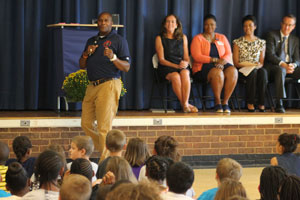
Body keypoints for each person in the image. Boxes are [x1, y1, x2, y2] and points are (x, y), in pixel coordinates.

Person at [79, 12, 131, 159]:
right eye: (100, 21)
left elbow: (126, 67)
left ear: (111, 23)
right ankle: (108, 149)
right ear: (97, 23)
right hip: (92, 85)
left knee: (104, 127)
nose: (103, 23)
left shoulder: (119, 40)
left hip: (109, 84)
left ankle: (106, 163)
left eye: (106, 20)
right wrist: (86, 54)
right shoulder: (92, 40)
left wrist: (113, 57)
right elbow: (81, 65)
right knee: (86, 123)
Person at [191, 14, 238, 113]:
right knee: (218, 72)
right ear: (203, 26)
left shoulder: (222, 37)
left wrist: (222, 61)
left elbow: (229, 53)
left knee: (233, 71)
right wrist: (214, 60)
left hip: (222, 63)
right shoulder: (198, 38)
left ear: (216, 26)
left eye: (212, 24)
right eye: (207, 25)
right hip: (202, 67)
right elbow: (196, 56)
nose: (209, 27)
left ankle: (225, 102)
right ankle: (217, 102)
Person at [155, 14, 198, 113]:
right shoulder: (159, 38)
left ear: (177, 25)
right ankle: (186, 105)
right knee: (175, 76)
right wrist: (176, 66)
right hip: (166, 66)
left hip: (180, 65)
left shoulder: (183, 37)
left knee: (185, 73)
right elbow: (161, 60)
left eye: (173, 22)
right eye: (168, 21)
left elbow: (186, 57)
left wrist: (185, 63)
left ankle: (185, 104)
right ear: (165, 24)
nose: (170, 24)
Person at [265, 14, 300, 113]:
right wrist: (283, 64)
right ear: (281, 24)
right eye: (285, 24)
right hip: (275, 66)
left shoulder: (295, 40)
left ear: (293, 27)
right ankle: (279, 103)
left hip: (290, 66)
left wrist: (294, 65)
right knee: (281, 70)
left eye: (290, 25)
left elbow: (297, 58)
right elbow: (270, 55)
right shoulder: (272, 35)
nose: (287, 27)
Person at [233, 15, 268, 112]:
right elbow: (236, 63)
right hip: (242, 69)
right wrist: (249, 65)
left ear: (255, 27)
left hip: (256, 68)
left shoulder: (261, 42)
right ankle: (250, 102)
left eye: (250, 25)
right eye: (245, 26)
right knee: (252, 73)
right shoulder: (237, 42)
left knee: (263, 72)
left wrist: (256, 66)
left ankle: (261, 103)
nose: (247, 28)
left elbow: (261, 62)